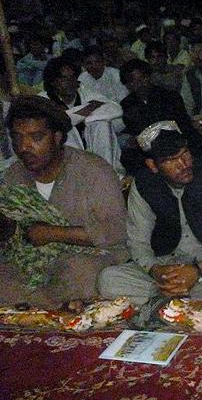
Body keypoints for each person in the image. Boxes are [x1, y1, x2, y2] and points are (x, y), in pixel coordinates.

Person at [99, 121, 202, 310]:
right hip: (166, 265)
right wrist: (155, 270)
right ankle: (182, 296)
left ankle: (169, 299)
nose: (183, 164)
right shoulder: (143, 184)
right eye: (170, 160)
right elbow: (138, 242)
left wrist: (198, 270)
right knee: (108, 280)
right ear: (152, 165)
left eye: (185, 154)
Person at [0, 96, 128, 308]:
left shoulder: (93, 170)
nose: (24, 147)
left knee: (78, 272)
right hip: (33, 261)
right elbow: (13, 234)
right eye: (17, 138)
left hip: (91, 257)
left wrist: (51, 233)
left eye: (36, 137)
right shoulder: (14, 175)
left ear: (57, 137)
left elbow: (116, 232)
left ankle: (44, 309)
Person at [40, 57, 124, 171]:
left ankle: (106, 171)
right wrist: (88, 109)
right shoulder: (43, 100)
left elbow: (116, 109)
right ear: (53, 82)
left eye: (73, 77)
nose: (70, 82)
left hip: (93, 151)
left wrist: (86, 118)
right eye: (64, 78)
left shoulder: (85, 92)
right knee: (63, 129)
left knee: (101, 124)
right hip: (64, 157)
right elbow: (61, 120)